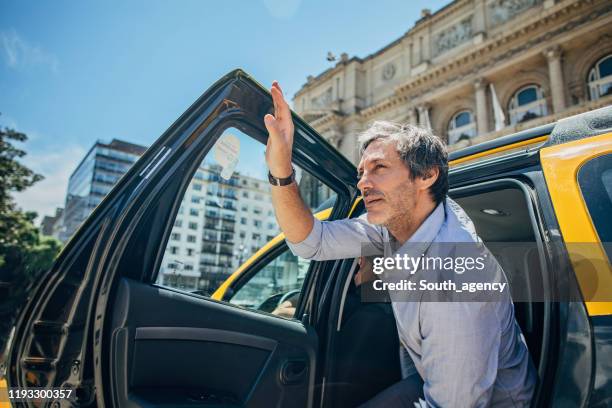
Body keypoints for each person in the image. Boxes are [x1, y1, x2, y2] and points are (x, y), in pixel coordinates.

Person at [263, 81, 536, 407]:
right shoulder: (397, 223)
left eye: (379, 168)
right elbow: (311, 242)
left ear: (426, 176)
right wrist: (280, 168)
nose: (363, 182)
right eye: (362, 171)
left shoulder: (456, 283)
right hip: (426, 380)